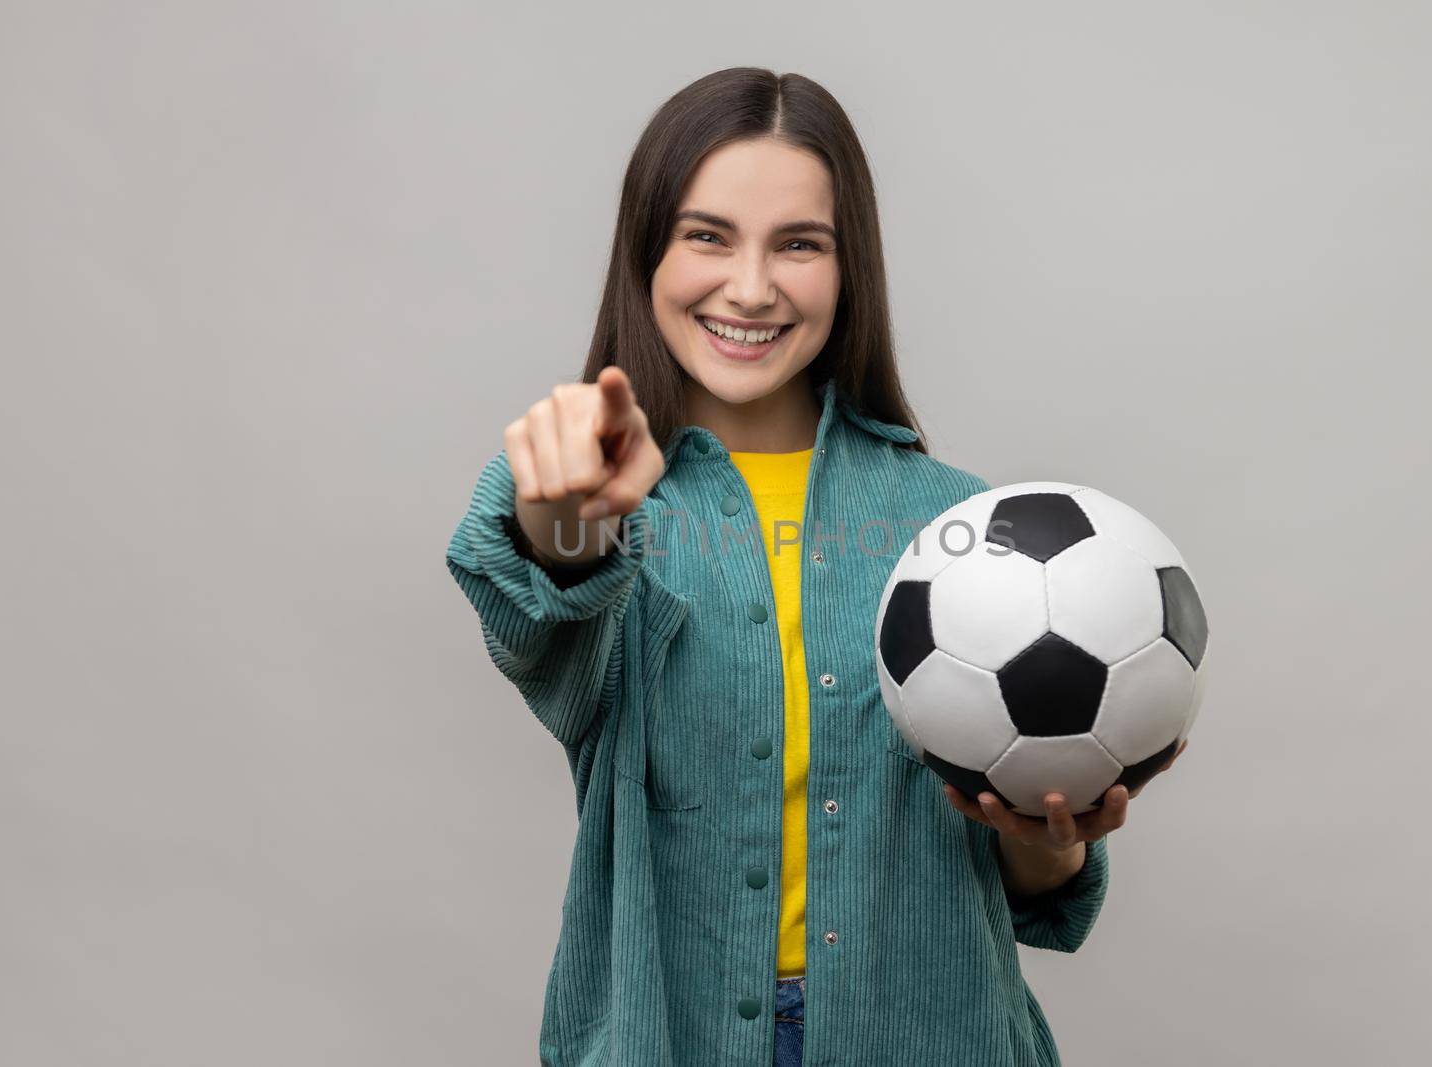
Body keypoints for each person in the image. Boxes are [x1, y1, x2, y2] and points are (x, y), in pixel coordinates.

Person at [445, 66, 1184, 1067]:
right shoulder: (607, 507)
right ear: (646, 253)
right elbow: (540, 619)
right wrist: (560, 518)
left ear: (847, 269)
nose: (750, 287)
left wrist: (1047, 829)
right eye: (707, 235)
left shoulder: (956, 526)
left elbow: (1026, 893)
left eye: (798, 243)